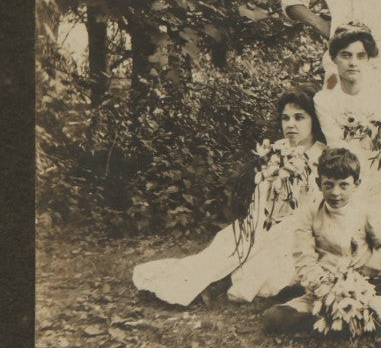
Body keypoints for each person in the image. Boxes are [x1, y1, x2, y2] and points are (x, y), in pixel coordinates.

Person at [132, 91, 324, 307]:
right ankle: (198, 285)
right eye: (285, 118)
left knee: (267, 258)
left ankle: (218, 286)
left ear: (313, 121)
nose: (291, 124)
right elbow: (262, 194)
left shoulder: (322, 156)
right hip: (265, 218)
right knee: (231, 243)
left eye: (299, 117)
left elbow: (318, 205)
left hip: (300, 227)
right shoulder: (277, 150)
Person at [261, 147, 381, 334]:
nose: (336, 193)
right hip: (323, 288)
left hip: (363, 286)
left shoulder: (365, 212)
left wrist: (377, 261)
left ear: (356, 184)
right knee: (273, 317)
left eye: (343, 185)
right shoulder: (309, 215)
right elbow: (304, 259)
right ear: (318, 183)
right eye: (329, 185)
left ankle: (339, 322)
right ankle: (330, 319)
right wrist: (325, 286)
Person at [312, 23, 381, 151]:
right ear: (333, 59)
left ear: (369, 59)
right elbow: (336, 147)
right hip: (347, 166)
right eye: (346, 55)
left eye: (360, 56)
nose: (353, 63)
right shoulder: (324, 101)